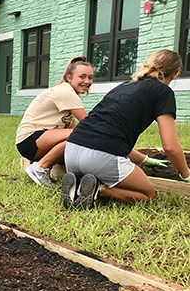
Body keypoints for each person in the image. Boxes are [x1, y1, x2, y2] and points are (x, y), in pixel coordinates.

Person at [62, 49, 190, 209]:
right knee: (149, 195)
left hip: (71, 150)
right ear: (176, 74)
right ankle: (97, 190)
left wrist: (145, 159)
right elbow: (170, 147)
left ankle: (81, 182)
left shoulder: (125, 85)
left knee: (103, 166)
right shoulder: (163, 92)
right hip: (100, 158)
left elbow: (109, 133)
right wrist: (185, 174)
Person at [15, 56, 94, 187]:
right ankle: (40, 168)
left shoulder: (68, 92)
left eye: (90, 77)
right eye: (82, 76)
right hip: (29, 140)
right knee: (82, 134)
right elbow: (88, 124)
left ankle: (40, 164)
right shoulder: (66, 92)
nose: (87, 81)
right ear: (69, 78)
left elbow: (70, 129)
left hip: (38, 140)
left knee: (77, 138)